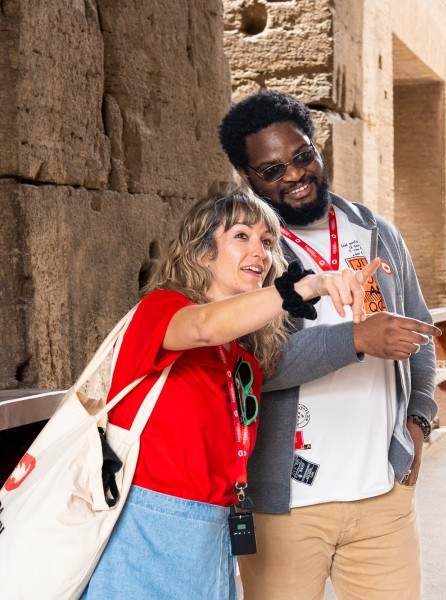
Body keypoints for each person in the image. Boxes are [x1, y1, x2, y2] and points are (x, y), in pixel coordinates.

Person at [81, 190, 376, 599]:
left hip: (215, 530)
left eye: (268, 242)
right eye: (241, 236)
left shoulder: (243, 359)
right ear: (203, 253)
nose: (260, 251)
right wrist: (303, 289)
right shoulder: (161, 311)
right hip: (147, 525)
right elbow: (203, 326)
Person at [218, 90, 441, 600]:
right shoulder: (248, 254)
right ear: (248, 178)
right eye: (272, 170)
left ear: (317, 149)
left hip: (382, 494)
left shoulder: (376, 232)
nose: (294, 175)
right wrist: (357, 339)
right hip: (287, 506)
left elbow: (420, 331)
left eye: (301, 156)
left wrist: (420, 420)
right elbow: (250, 367)